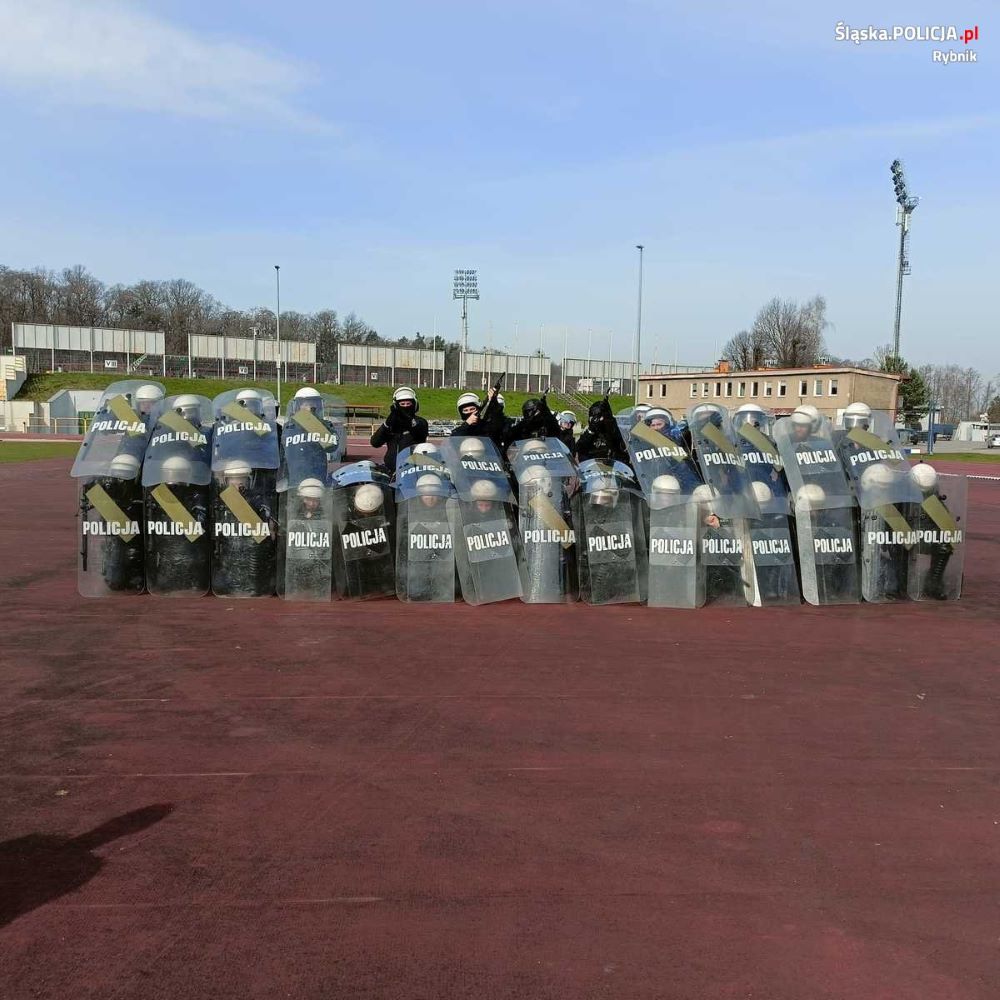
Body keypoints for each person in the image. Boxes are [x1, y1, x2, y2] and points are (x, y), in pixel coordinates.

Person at [370, 386, 428, 472]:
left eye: (408, 404)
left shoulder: (421, 422)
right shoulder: (392, 424)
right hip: (391, 471)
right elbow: (375, 442)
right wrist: (386, 425)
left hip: (412, 471)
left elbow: (418, 431)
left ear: (414, 404)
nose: (405, 406)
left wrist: (406, 418)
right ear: (396, 406)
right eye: (402, 404)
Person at [576, 399, 630, 466]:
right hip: (593, 468)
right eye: (596, 418)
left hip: (614, 468)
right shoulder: (590, 432)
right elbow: (579, 447)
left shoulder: (614, 431)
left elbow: (622, 447)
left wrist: (610, 423)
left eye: (602, 417)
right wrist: (591, 430)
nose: (600, 420)